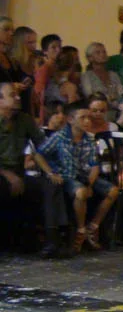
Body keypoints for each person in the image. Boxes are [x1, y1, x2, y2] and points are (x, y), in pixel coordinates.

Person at [38, 101, 120, 253]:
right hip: (67, 176)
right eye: (83, 118)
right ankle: (80, 230)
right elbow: (39, 154)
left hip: (83, 175)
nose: (87, 121)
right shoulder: (60, 137)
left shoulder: (89, 139)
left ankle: (93, 226)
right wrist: (50, 172)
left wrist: (90, 184)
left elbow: (94, 165)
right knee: (80, 192)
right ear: (71, 119)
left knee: (113, 191)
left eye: (88, 118)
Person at [0, 82, 67, 257]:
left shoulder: (24, 120)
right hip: (3, 173)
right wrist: (7, 175)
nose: (18, 97)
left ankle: (52, 240)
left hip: (18, 173)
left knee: (51, 184)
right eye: (12, 95)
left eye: (17, 94)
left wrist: (51, 171)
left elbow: (42, 147)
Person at [79, 42, 123, 123]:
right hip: (97, 117)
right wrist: (113, 102)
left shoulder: (113, 75)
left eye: (104, 52)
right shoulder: (86, 76)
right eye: (98, 52)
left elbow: (121, 93)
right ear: (90, 58)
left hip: (117, 116)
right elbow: (90, 96)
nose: (102, 54)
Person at [34, 34, 62, 124]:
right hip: (50, 109)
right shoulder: (44, 69)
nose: (58, 50)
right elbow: (39, 93)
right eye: (53, 47)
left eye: (59, 47)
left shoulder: (59, 68)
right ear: (45, 51)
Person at [11, 26, 38, 113]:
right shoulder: (13, 63)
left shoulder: (36, 60)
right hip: (19, 108)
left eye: (35, 42)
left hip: (34, 107)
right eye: (29, 43)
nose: (34, 46)